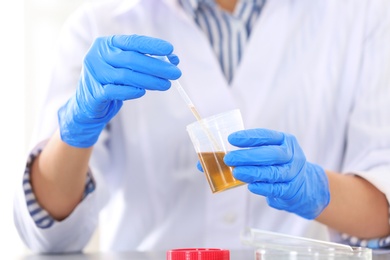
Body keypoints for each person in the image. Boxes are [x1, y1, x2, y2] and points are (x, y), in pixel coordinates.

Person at [14, 0, 390, 253]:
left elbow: (382, 209)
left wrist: (317, 190)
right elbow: (50, 235)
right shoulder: (101, 21)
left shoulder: (361, 13)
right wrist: (75, 128)